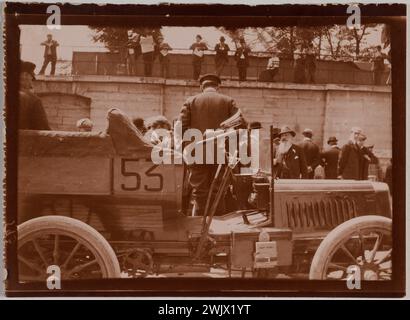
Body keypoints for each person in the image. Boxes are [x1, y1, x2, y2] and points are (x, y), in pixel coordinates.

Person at [179, 74, 241, 216]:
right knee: (218, 191)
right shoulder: (228, 101)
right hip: (221, 153)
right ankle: (218, 226)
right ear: (218, 87)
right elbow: (241, 125)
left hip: (197, 152)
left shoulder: (190, 101)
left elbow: (181, 127)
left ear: (202, 86)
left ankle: (200, 226)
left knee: (199, 192)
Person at [19, 61, 51, 130]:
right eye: (32, 79)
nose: (31, 83)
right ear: (25, 76)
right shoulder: (33, 99)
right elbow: (43, 128)